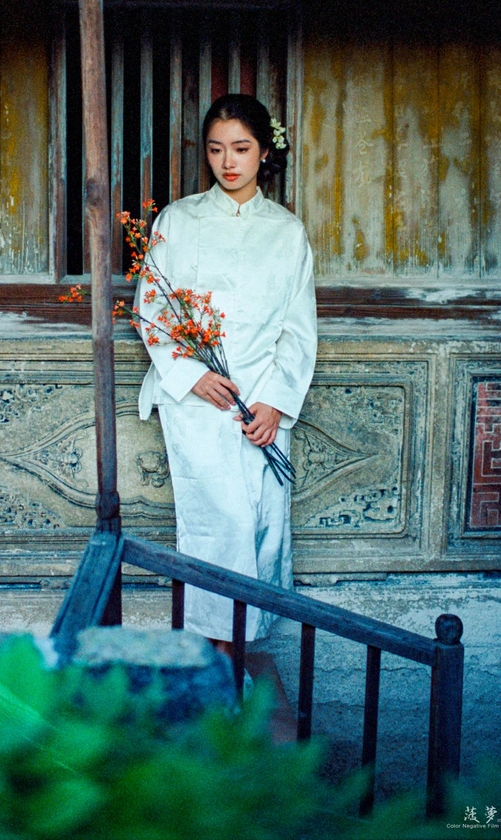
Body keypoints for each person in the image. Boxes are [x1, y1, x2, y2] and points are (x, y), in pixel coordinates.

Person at [136, 93, 317, 653]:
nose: (228, 162)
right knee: (220, 526)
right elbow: (152, 308)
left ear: (264, 151)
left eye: (240, 148)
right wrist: (192, 375)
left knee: (263, 524)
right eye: (216, 150)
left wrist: (276, 403)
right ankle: (216, 655)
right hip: (198, 402)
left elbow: (298, 328)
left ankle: (238, 653)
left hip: (262, 403)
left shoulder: (286, 232)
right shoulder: (178, 220)